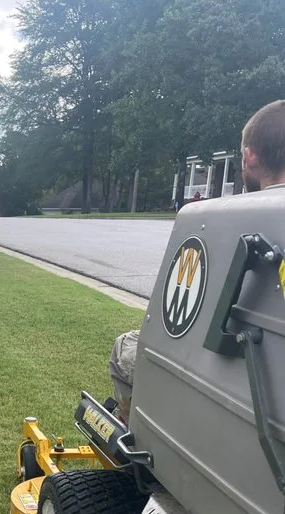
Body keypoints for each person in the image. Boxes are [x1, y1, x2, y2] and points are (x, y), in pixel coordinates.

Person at [109, 100, 285, 423]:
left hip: (231, 390)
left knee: (126, 347)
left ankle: (134, 428)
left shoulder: (222, 218)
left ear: (250, 156)